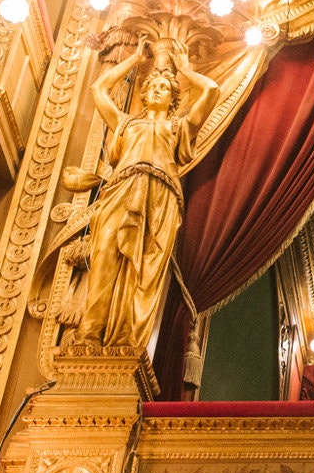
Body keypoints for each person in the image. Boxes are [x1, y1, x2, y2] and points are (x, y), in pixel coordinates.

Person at [71, 35, 222, 351]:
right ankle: (88, 336)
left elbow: (210, 90)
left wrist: (183, 68)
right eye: (152, 86)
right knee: (103, 260)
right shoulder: (125, 125)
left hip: (161, 198)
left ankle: (128, 341)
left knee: (146, 272)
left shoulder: (178, 128)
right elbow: (97, 89)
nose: (157, 88)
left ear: (173, 99)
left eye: (165, 87)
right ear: (143, 93)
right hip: (121, 191)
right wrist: (135, 60)